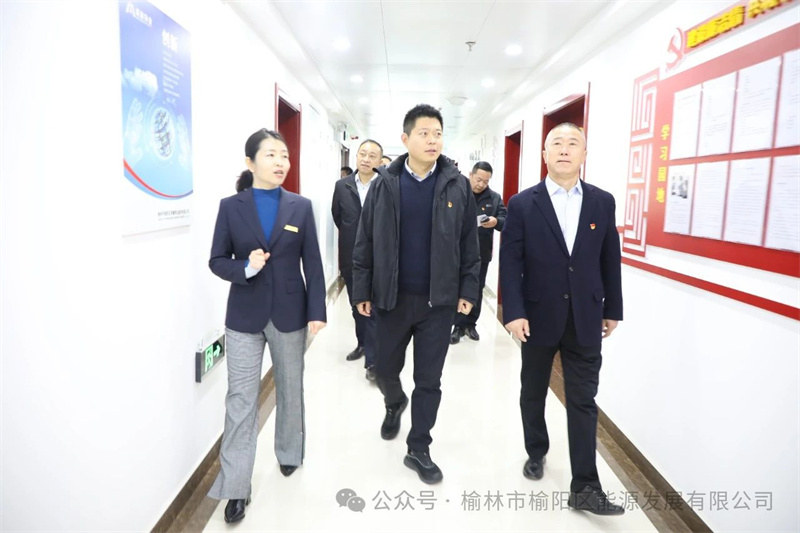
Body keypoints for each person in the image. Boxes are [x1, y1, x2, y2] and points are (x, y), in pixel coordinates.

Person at [499, 122, 624, 516]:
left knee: (583, 400)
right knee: (533, 390)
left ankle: (585, 486)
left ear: (584, 154)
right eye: (557, 143)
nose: (565, 150)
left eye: (573, 144)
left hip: (586, 315)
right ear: (545, 154)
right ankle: (536, 450)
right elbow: (510, 262)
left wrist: (613, 308)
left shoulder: (602, 202)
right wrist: (513, 311)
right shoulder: (522, 203)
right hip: (536, 316)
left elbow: (610, 257)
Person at [352, 104, 480, 484]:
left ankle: (419, 447)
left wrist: (468, 290)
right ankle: (394, 402)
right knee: (384, 370)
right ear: (405, 139)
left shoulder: (457, 185)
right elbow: (365, 240)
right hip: (391, 298)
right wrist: (362, 289)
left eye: (438, 133)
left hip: (437, 303)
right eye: (424, 133)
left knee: (429, 379)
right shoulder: (384, 184)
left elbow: (469, 244)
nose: (432, 140)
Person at [208, 128, 327, 523]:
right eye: (271, 155)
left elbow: (313, 262)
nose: (281, 163)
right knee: (241, 400)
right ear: (250, 162)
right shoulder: (231, 207)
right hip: (244, 315)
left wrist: (317, 310)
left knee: (290, 387)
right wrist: (246, 266)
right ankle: (235, 487)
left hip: (290, 312)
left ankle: (289, 451)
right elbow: (216, 260)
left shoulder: (300, 206)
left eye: (285, 156)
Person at [331, 139, 383, 381]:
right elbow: (338, 216)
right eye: (363, 154)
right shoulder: (342, 186)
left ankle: (373, 361)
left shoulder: (386, 184)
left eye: (372, 155)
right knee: (357, 305)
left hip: (380, 258)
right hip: (351, 257)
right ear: (356, 156)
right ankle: (362, 344)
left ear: (379, 161)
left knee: (375, 308)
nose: (366, 159)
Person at [450, 161, 506, 344]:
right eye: (479, 179)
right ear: (471, 175)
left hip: (481, 253)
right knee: (458, 287)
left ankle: (470, 324)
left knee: (477, 288)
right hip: (456, 252)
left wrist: (496, 221)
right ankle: (457, 325)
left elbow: (505, 219)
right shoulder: (458, 193)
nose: (481, 184)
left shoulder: (494, 198)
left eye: (486, 181)